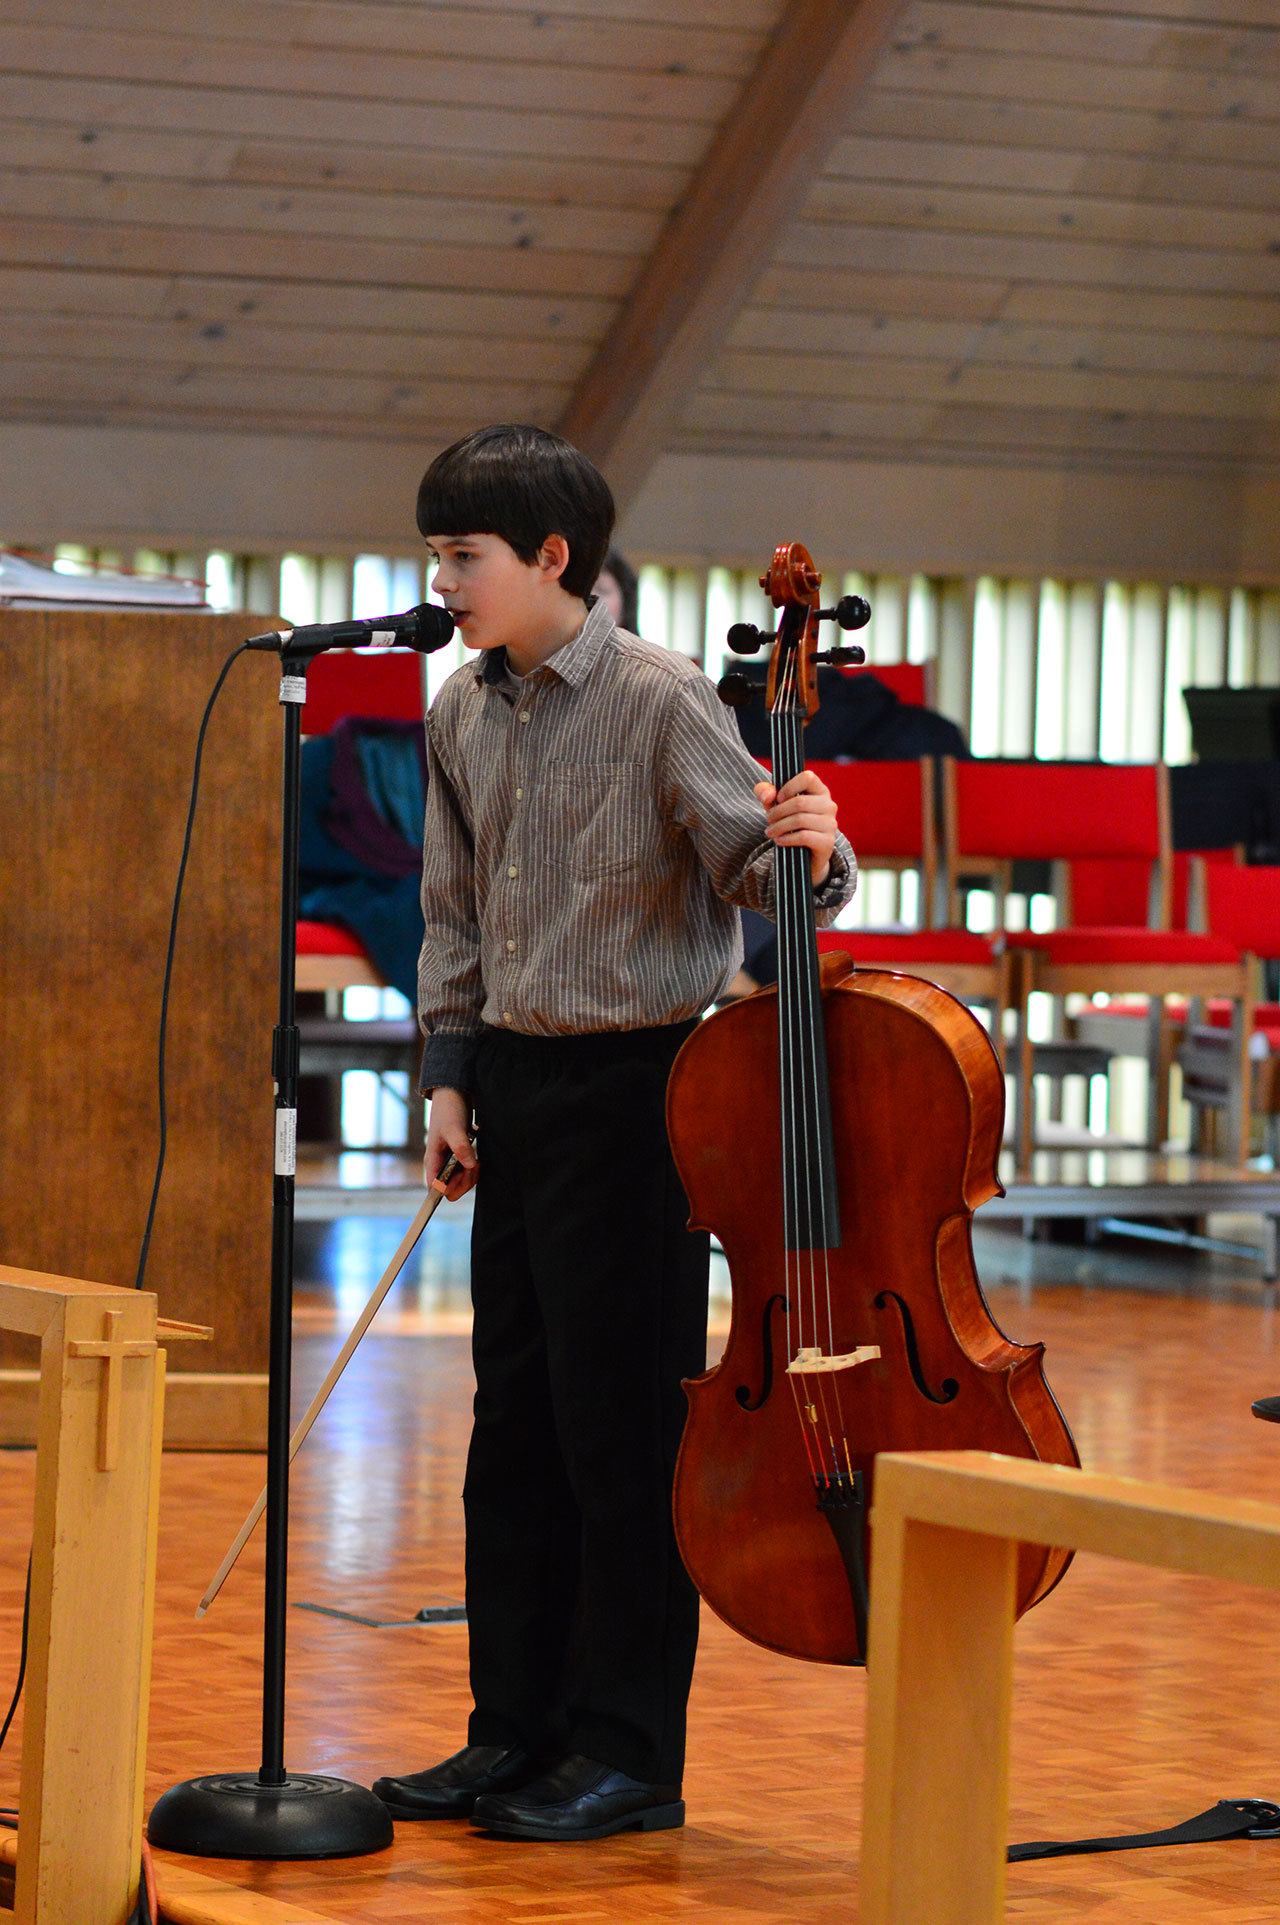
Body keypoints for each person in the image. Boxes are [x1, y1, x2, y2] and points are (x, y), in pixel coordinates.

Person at [371, 423, 856, 1843]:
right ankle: (510, 1729)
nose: (445, 581)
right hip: (514, 1091)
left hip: (640, 1094)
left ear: (550, 558)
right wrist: (449, 1079)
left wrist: (817, 850)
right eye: (436, 556)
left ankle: (628, 1748)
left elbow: (759, 876)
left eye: (465, 556)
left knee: (619, 1428)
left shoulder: (661, 698)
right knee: (510, 1428)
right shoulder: (459, 709)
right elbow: (449, 913)